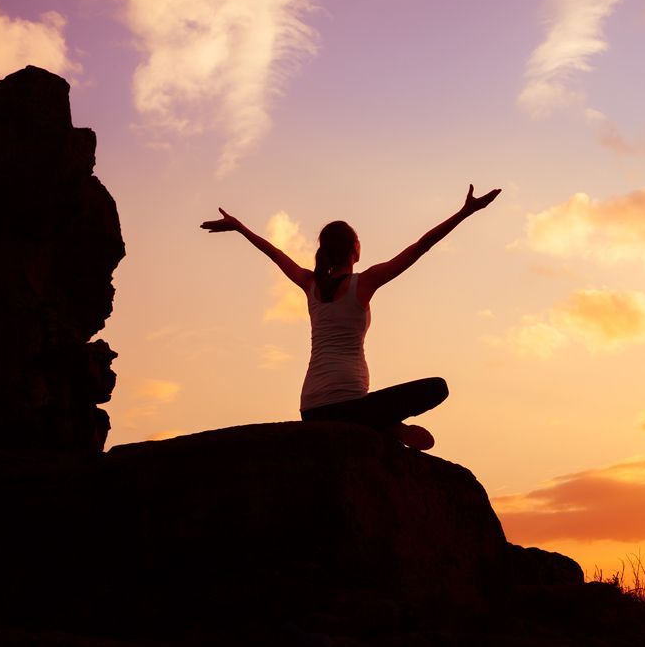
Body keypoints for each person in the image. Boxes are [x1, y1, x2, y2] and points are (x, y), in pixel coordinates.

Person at [201, 184, 501, 450]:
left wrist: (240, 227)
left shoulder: (310, 284)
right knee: (438, 387)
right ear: (353, 249)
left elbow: (274, 253)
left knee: (366, 410)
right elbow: (420, 247)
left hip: (311, 410)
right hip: (354, 408)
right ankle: (390, 427)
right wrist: (465, 213)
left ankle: (387, 427)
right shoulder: (364, 282)